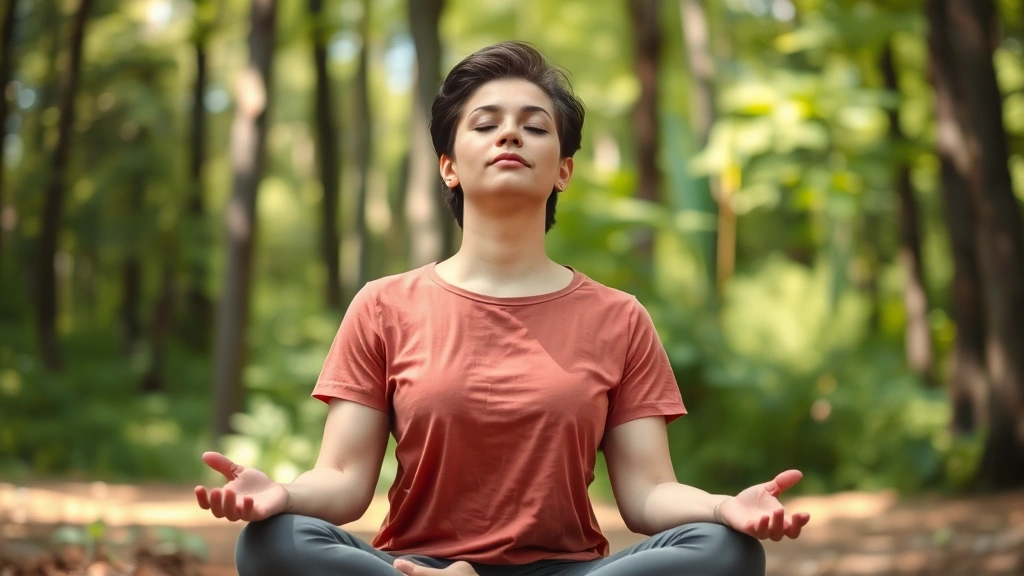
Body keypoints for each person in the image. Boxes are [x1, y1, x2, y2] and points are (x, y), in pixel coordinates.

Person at [194, 41, 810, 576]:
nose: (510, 135)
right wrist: (280, 496)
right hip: (417, 569)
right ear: (449, 167)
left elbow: (648, 492)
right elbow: (343, 480)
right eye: (486, 124)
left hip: (565, 571)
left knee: (725, 550)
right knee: (273, 541)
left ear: (563, 170)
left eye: (535, 127)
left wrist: (723, 507)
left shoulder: (619, 318)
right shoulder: (384, 305)